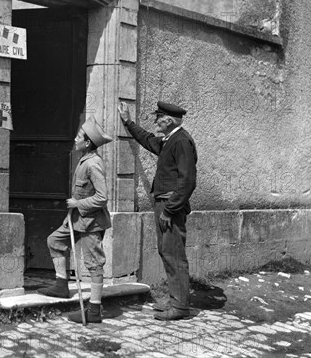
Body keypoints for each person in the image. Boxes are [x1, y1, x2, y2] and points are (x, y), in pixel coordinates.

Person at [118, 101, 197, 320]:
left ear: (169, 120)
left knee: (174, 254)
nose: (155, 122)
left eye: (158, 118)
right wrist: (128, 122)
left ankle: (180, 308)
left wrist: (170, 210)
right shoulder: (170, 140)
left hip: (170, 204)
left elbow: (187, 181)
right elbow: (147, 140)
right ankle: (175, 301)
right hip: (165, 203)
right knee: (167, 251)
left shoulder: (181, 141)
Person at [38, 115, 113, 324]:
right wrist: (73, 210)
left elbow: (102, 197)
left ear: (87, 142)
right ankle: (61, 285)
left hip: (90, 222)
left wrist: (77, 204)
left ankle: (94, 311)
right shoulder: (84, 160)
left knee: (94, 264)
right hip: (75, 219)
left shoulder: (93, 164)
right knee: (54, 241)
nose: (75, 139)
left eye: (79, 136)